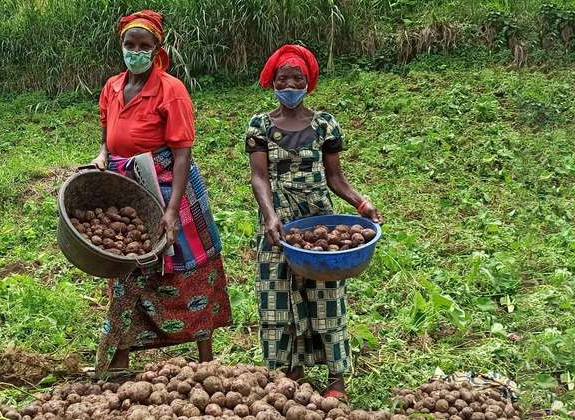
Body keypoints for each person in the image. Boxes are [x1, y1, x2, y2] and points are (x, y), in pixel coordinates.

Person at [92, 9, 231, 374]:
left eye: (143, 45)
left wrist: (171, 210)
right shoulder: (112, 87)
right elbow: (107, 134)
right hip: (124, 188)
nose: (135, 51)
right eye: (129, 44)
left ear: (157, 49)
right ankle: (119, 362)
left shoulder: (171, 90)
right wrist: (103, 154)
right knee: (127, 269)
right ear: (120, 45)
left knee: (189, 267)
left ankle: (206, 361)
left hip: (169, 182)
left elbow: (183, 153)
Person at [245, 44, 383, 398]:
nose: (289, 84)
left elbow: (335, 177)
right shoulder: (259, 125)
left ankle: (336, 378)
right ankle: (291, 372)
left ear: (308, 82)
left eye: (297, 78)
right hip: (276, 221)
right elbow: (259, 176)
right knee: (277, 295)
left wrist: (361, 203)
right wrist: (270, 215)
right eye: (283, 78)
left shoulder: (325, 124)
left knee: (326, 295)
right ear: (272, 81)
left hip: (317, 218)